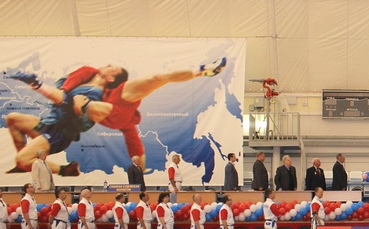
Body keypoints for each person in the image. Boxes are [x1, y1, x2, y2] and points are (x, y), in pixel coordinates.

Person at [8, 58, 226, 170]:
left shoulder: (118, 92)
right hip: (77, 115)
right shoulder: (87, 78)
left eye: (113, 67)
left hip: (109, 108)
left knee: (157, 78)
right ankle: (30, 165)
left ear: (112, 78)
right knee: (14, 120)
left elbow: (135, 144)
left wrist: (139, 176)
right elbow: (65, 92)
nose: (109, 64)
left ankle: (202, 70)